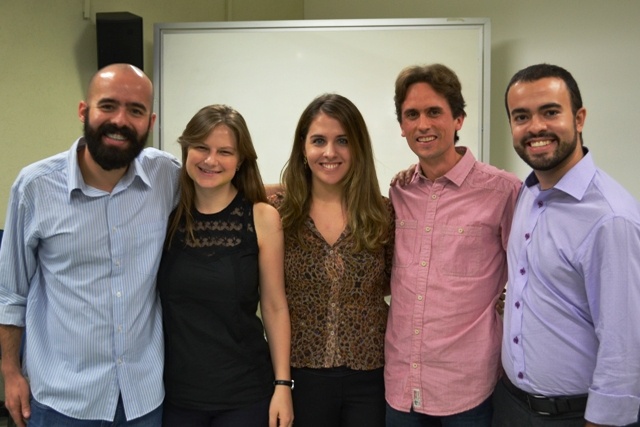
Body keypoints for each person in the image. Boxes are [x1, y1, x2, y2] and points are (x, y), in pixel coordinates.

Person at [0, 63, 180, 427]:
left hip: (142, 401)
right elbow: (10, 293)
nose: (121, 120)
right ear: (84, 111)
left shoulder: (167, 176)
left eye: (136, 110)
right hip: (62, 403)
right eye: (108, 106)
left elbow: (224, 185)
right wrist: (10, 372)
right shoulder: (35, 187)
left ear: (151, 121)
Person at [494, 63, 640, 427]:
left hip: (576, 417)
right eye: (521, 116)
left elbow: (625, 341)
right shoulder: (529, 193)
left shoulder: (610, 217)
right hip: (512, 406)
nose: (536, 127)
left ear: (579, 118)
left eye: (550, 112)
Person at [384, 64, 521, 426]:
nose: (423, 125)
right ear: (401, 126)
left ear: (458, 119)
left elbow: (529, 275)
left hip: (468, 386)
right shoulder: (399, 191)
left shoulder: (503, 191)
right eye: (411, 115)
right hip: (401, 384)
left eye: (434, 112)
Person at [157, 104, 293, 427]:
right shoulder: (165, 212)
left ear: (240, 159)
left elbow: (274, 306)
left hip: (245, 394)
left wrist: (283, 386)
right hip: (176, 397)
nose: (210, 160)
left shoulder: (262, 217)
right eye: (201, 147)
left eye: (225, 152)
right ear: (186, 149)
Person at [268, 93, 394, 427]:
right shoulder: (280, 213)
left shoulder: (382, 213)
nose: (330, 152)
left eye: (342, 141)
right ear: (303, 147)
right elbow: (232, 184)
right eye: (318, 141)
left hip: (371, 376)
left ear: (358, 148)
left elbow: (401, 284)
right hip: (300, 376)